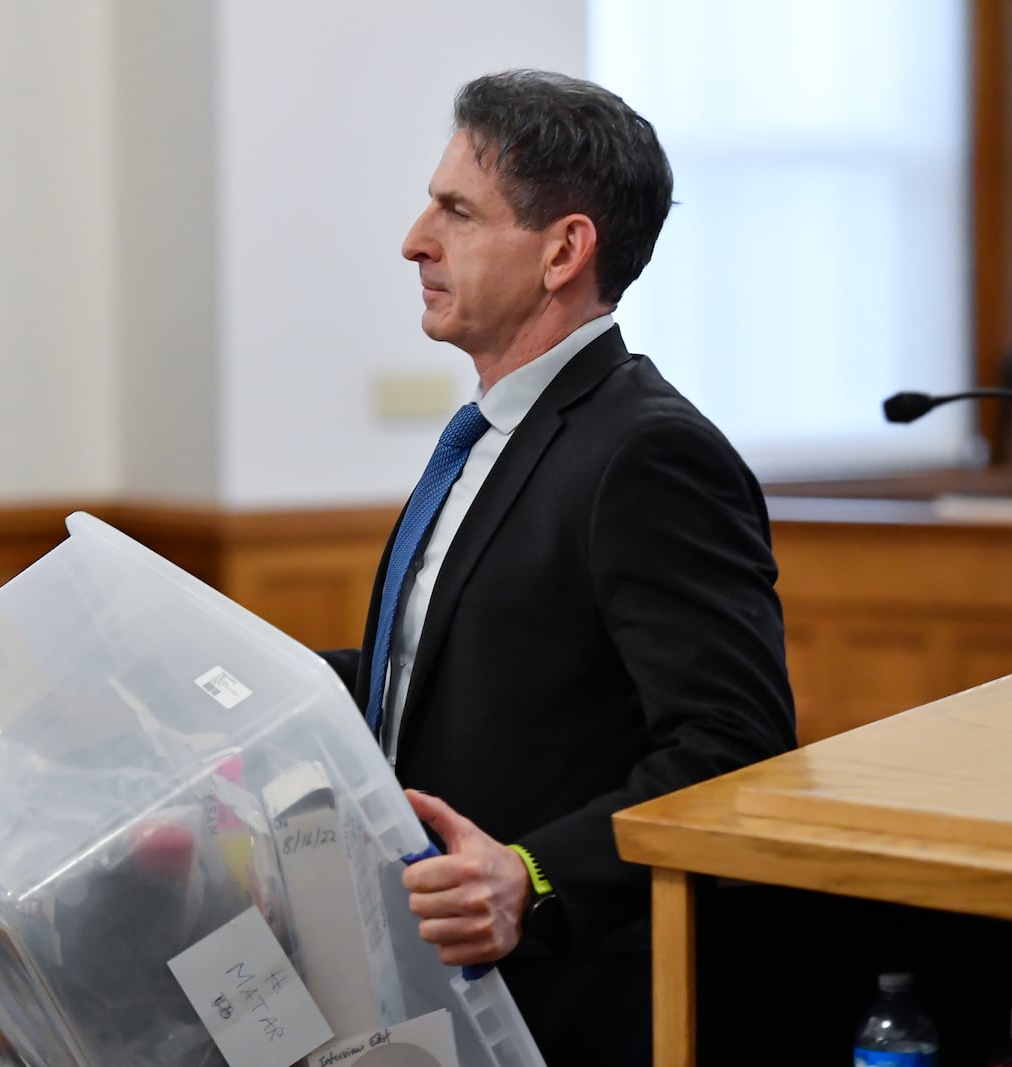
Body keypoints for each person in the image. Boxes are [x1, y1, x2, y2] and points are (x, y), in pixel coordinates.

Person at [320, 69, 795, 1064]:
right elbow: (450, 668)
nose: (414, 238)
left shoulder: (649, 452)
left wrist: (534, 874)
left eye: (455, 211)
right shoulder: (485, 432)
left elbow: (734, 748)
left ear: (563, 250)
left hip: (573, 1005)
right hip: (434, 983)